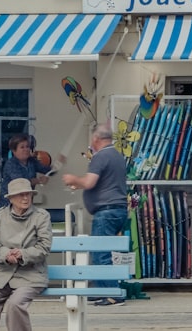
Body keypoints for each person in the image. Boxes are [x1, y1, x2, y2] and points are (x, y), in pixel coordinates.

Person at [62, 124, 128, 307]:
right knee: (101, 252)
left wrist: (73, 180)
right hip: (118, 210)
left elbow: (90, 182)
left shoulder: (100, 156)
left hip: (106, 212)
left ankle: (113, 294)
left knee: (101, 254)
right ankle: (102, 291)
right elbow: (105, 183)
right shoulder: (117, 155)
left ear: (96, 139)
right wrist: (81, 185)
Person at [0, 178, 53, 331]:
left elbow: (44, 246)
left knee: (15, 305)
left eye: (28, 194)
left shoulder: (41, 216)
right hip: (1, 273)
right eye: (20, 195)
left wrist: (22, 254)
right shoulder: (0, 216)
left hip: (30, 275)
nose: (25, 198)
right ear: (11, 198)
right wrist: (6, 254)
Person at [0, 134, 52, 209]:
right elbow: (22, 183)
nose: (26, 149)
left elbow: (47, 170)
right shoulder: (11, 164)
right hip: (8, 206)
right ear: (14, 150)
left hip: (26, 205)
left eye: (27, 146)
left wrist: (57, 164)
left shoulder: (32, 161)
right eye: (22, 147)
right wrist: (39, 180)